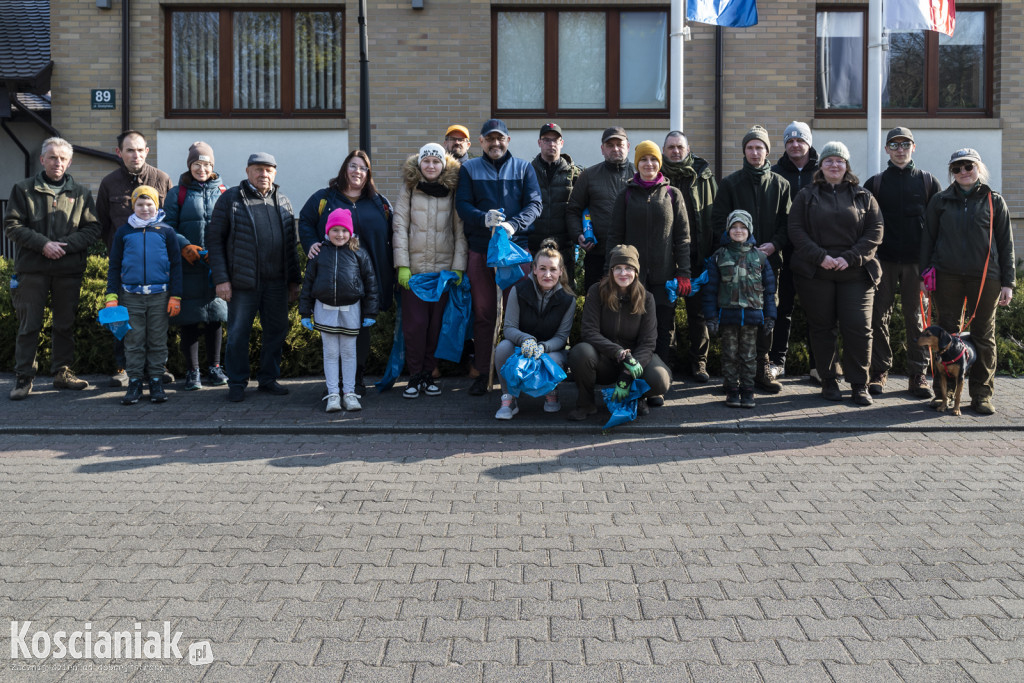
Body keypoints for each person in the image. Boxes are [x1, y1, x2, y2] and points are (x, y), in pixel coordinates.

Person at [5, 137, 101, 400]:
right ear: (42, 160)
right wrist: (43, 244)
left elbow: (93, 228)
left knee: (64, 324)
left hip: (68, 269)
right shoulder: (23, 189)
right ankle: (24, 376)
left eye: (62, 158)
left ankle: (62, 372)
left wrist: (65, 246)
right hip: (32, 270)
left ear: (69, 162)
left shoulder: (81, 192)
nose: (57, 162)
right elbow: (12, 225)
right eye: (52, 157)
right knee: (29, 325)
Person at [921, 148, 1015, 415]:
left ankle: (981, 395)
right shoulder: (940, 201)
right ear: (952, 172)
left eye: (968, 167)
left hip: (986, 278)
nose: (963, 172)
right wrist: (923, 275)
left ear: (978, 168)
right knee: (946, 334)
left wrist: (1009, 282)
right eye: (957, 168)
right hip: (946, 276)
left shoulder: (993, 200)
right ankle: (945, 395)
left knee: (983, 336)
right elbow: (928, 239)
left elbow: (1006, 244)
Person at [788, 141, 883, 406]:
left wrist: (849, 257)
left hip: (856, 273)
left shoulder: (863, 196)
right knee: (821, 328)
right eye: (829, 161)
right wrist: (821, 257)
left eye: (839, 161)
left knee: (859, 329)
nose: (834, 165)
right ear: (821, 167)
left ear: (846, 165)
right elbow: (795, 229)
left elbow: (875, 231)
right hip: (816, 273)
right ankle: (828, 380)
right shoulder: (806, 195)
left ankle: (858, 385)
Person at [455, 118, 543, 396]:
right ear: (480, 142)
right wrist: (484, 219)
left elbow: (535, 204)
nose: (495, 143)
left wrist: (513, 224)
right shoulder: (469, 169)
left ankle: (519, 371)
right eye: (490, 139)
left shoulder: (524, 168)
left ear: (508, 141)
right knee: (483, 313)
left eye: (500, 139)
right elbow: (462, 205)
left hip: (516, 251)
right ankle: (484, 372)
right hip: (481, 251)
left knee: (518, 314)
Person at [206, 152, 301, 403]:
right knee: (238, 333)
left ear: (275, 173)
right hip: (242, 283)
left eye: (269, 170)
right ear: (247, 171)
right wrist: (221, 279)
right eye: (258, 169)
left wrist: (294, 281)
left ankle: (268, 379)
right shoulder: (231, 199)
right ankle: (237, 382)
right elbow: (214, 241)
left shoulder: (283, 201)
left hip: (277, 284)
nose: (264, 174)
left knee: (277, 331)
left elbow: (291, 246)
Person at [298, 150, 394, 396]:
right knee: (332, 335)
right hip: (332, 279)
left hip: (367, 279)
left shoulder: (379, 202)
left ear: (368, 173)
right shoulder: (325, 198)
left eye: (363, 168)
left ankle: (355, 381)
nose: (357, 171)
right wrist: (310, 245)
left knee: (360, 331)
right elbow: (305, 222)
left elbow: (393, 236)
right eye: (353, 166)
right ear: (344, 169)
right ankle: (334, 384)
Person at [605, 140, 688, 405]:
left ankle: (655, 385)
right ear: (637, 164)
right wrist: (613, 271)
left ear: (659, 163)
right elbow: (614, 236)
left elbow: (683, 238)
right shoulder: (626, 194)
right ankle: (631, 381)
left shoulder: (672, 194)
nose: (649, 164)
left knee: (663, 330)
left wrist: (683, 272)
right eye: (643, 160)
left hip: (663, 277)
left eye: (653, 159)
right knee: (634, 330)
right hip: (632, 280)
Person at [711, 125, 791, 394]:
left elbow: (787, 223)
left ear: (768, 151)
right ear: (744, 151)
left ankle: (761, 367)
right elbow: (718, 221)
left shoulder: (781, 185)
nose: (755, 152)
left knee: (767, 314)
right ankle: (731, 374)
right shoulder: (730, 183)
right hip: (733, 266)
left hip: (768, 264)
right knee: (734, 319)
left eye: (760, 147)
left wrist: (775, 245)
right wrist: (738, 245)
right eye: (750, 147)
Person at [865, 127, 941, 399]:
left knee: (918, 321)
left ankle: (918, 375)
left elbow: (937, 228)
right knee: (877, 318)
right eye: (894, 145)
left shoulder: (927, 182)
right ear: (887, 149)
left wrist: (931, 265)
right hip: (882, 262)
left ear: (913, 147)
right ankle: (878, 372)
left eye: (905, 144)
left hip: (917, 266)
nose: (900, 149)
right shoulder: (875, 184)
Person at [97, 130, 173, 388]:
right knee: (123, 319)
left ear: (147, 151)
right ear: (120, 153)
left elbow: (170, 224)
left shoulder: (162, 180)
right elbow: (103, 224)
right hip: (124, 269)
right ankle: (123, 368)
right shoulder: (109, 183)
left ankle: (158, 368)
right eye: (130, 150)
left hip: (156, 270)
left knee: (156, 322)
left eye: (140, 149)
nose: (135, 155)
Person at [392, 143, 467, 398]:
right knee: (415, 326)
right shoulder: (409, 189)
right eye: (427, 161)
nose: (431, 166)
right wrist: (402, 265)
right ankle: (414, 376)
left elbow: (460, 232)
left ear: (443, 164)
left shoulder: (453, 190)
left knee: (436, 326)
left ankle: (429, 374)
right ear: (420, 164)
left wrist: (458, 268)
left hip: (443, 273)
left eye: (436, 162)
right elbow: (399, 227)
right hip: (414, 273)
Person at [568, 244, 672, 421]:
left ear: (636, 272)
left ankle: (636, 397)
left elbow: (648, 342)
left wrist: (626, 374)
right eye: (618, 268)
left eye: (629, 268)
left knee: (660, 378)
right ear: (611, 271)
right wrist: (618, 352)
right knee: (580, 352)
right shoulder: (596, 291)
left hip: (635, 363)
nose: (623, 273)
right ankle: (586, 403)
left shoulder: (647, 298)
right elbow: (589, 332)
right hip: (604, 359)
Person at [104, 186, 183, 405]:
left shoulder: (166, 232)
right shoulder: (124, 232)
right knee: (133, 341)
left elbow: (176, 265)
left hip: (160, 296)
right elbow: (114, 266)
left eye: (150, 204)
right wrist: (112, 295)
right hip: (131, 296)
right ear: (133, 206)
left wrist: (176, 296)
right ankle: (135, 382)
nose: (145, 208)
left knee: (157, 340)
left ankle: (156, 381)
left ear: (157, 206)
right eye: (140, 204)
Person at [163, 141, 229, 391]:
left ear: (213, 165)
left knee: (215, 317)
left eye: (207, 164)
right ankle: (193, 372)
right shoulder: (176, 192)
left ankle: (215, 366)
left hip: (215, 264)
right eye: (197, 164)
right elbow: (167, 225)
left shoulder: (224, 191)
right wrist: (183, 245)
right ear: (189, 165)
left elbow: (231, 226)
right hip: (187, 264)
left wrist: (220, 251)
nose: (202, 169)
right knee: (189, 319)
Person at [299, 209, 379, 413]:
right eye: (335, 229)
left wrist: (370, 312)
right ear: (327, 231)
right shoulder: (318, 253)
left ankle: (350, 393)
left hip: (351, 311)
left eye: (344, 230)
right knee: (331, 353)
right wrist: (305, 312)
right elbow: (308, 283)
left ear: (350, 232)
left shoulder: (359, 253)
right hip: (325, 310)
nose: (340, 234)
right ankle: (333, 393)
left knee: (349, 353)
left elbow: (371, 283)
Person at [493, 238, 576, 419]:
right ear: (534, 269)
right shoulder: (519, 290)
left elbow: (562, 337)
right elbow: (509, 328)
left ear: (561, 272)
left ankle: (551, 393)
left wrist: (542, 347)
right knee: (502, 348)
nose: (548, 274)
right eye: (543, 269)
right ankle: (509, 399)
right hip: (520, 348)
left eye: (553, 269)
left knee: (554, 358)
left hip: (550, 350)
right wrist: (526, 340)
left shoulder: (568, 299)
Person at [703, 210, 777, 409]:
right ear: (728, 230)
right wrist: (710, 317)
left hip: (752, 317)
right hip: (728, 315)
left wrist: (770, 315)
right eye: (734, 227)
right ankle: (732, 389)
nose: (738, 231)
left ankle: (748, 389)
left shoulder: (760, 258)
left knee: (749, 356)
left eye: (742, 227)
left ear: (749, 230)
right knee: (729, 354)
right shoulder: (719, 256)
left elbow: (769, 290)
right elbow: (710, 290)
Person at [661, 130, 717, 383]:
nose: (675, 151)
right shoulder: (656, 176)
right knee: (666, 313)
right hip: (665, 259)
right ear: (664, 150)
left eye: (679, 147)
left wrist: (712, 254)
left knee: (699, 315)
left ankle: (699, 363)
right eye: (670, 147)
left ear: (688, 149)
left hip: (697, 258)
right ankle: (666, 362)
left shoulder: (704, 177)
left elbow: (715, 216)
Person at [769, 121, 818, 381]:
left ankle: (817, 365)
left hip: (816, 255)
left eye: (800, 140)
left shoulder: (824, 171)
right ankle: (777, 362)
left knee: (817, 312)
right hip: (784, 254)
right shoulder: (775, 172)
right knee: (781, 310)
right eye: (790, 141)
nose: (795, 144)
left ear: (808, 143)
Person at [566, 127, 634, 292]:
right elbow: (573, 210)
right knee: (596, 304)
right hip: (597, 255)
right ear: (602, 149)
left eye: (619, 144)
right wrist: (578, 235)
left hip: (632, 257)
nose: (615, 148)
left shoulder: (639, 174)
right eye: (610, 145)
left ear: (628, 146)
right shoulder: (589, 175)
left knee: (630, 306)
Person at [529, 123, 581, 269]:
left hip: (564, 249)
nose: (551, 144)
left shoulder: (574, 174)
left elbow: (580, 208)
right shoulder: (527, 172)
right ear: (539, 143)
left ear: (561, 143)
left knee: (565, 290)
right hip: (534, 248)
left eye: (555, 140)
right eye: (546, 140)